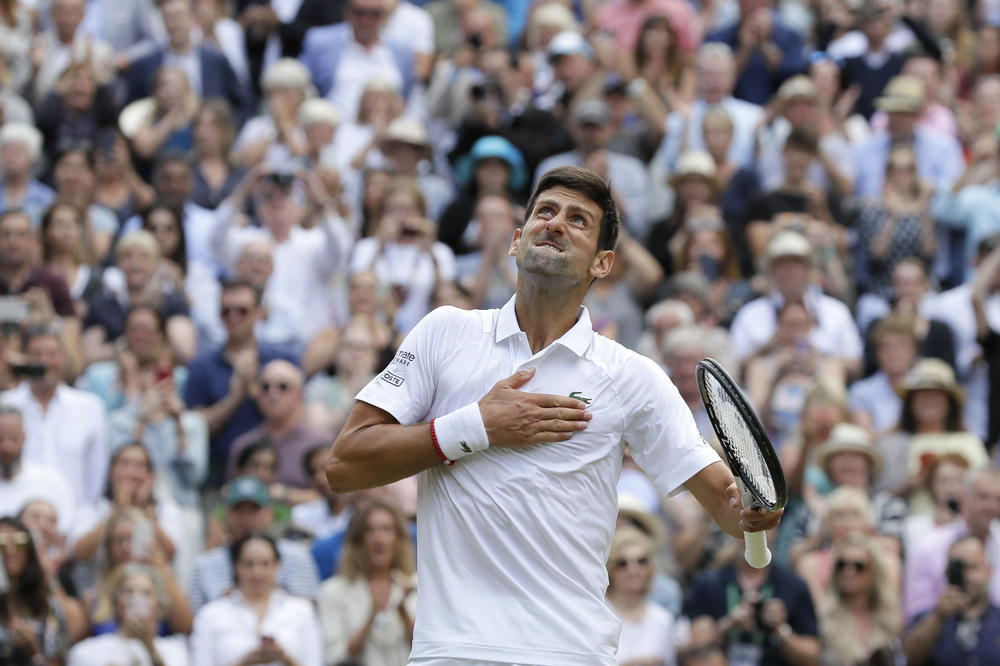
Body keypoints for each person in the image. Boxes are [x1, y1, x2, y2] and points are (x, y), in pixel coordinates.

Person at [326, 165, 780, 664]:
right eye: (546, 211)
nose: (556, 223)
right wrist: (479, 426)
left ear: (603, 264)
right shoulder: (444, 332)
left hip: (571, 651)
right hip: (452, 650)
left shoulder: (632, 375)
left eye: (578, 220)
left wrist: (754, 514)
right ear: (517, 241)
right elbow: (345, 465)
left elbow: (727, 505)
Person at [2, 324, 107, 506]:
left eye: (52, 354)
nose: (44, 361)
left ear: (64, 358)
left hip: (75, 522)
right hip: (13, 518)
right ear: (24, 358)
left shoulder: (89, 407)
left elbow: (96, 472)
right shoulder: (5, 404)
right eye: (36, 354)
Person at [187, 476, 319, 611]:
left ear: (269, 513)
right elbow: (195, 623)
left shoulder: (297, 556)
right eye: (239, 510)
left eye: (254, 510)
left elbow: (310, 612)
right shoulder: (205, 565)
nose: (246, 519)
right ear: (226, 515)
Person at [190, 533, 322, 666]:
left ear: (277, 566)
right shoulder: (210, 614)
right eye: (248, 564)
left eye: (265, 563)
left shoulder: (301, 610)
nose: (257, 573)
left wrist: (285, 658)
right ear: (235, 567)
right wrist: (244, 662)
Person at [317, 498, 416, 666]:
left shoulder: (418, 586)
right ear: (358, 540)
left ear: (398, 538)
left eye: (386, 529)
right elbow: (334, 656)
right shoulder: (332, 591)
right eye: (370, 530)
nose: (378, 539)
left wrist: (402, 609)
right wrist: (372, 616)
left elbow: (429, 651)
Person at [224, 360, 329, 490]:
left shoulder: (321, 443)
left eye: (283, 387)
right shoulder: (243, 446)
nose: (273, 394)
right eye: (265, 387)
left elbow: (332, 499)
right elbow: (229, 495)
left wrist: (285, 496)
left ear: (299, 393)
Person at [67, 563, 190, 666]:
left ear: (158, 603)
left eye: (146, 593)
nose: (136, 599)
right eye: (129, 592)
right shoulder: (86, 652)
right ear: (116, 601)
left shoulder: (176, 650)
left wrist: (151, 649)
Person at [903, 535, 1000, 664]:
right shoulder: (930, 619)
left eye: (973, 567)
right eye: (958, 568)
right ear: (947, 573)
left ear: (989, 571)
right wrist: (938, 618)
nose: (966, 576)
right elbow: (907, 659)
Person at [818, 531, 904, 665]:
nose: (848, 571)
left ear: (873, 572)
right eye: (842, 565)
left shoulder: (890, 618)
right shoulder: (823, 616)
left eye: (859, 566)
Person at [0, 518, 72, 665]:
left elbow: (57, 660)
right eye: (1, 543)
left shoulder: (46, 606)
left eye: (19, 542)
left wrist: (32, 649)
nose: (10, 550)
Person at [605, 525, 678, 666]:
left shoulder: (662, 619)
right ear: (610, 568)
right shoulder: (598, 614)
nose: (633, 570)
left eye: (641, 561)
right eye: (622, 563)